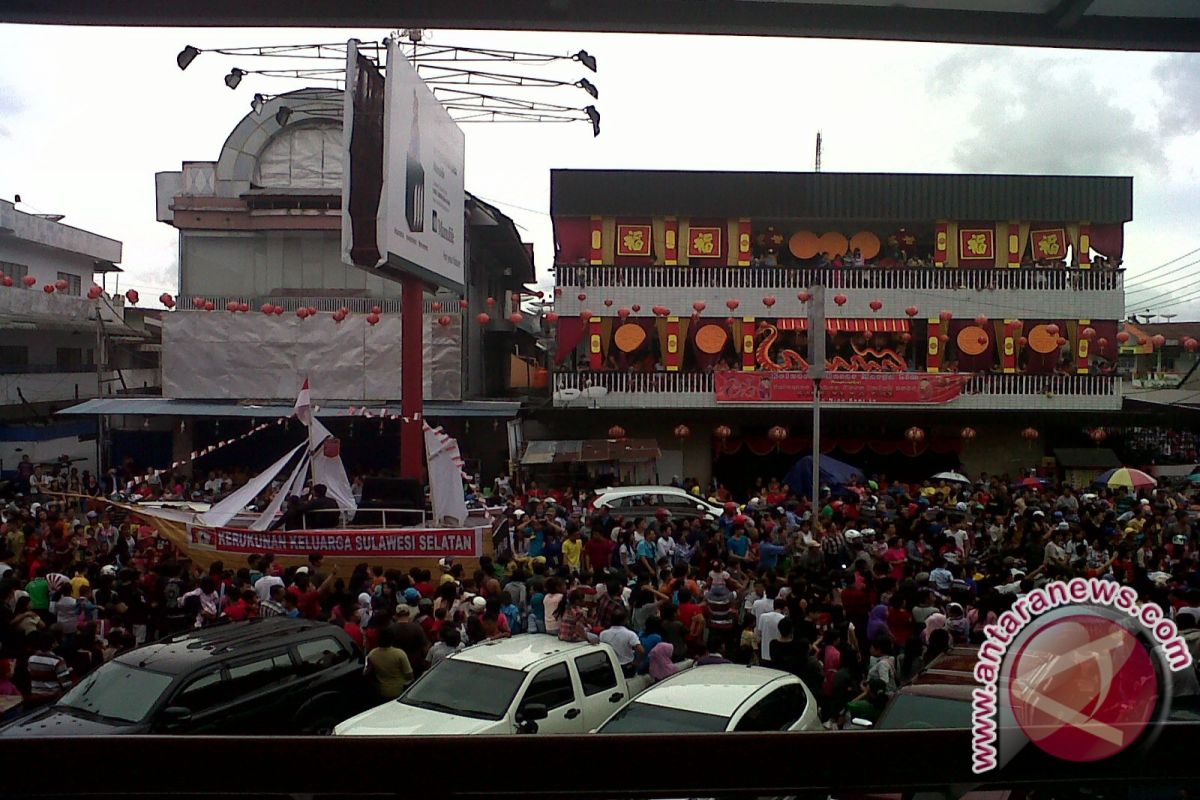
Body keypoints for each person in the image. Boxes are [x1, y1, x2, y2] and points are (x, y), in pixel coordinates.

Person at [365, 626, 414, 700]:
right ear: (392, 639)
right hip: (400, 690)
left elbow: (368, 672)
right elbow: (409, 674)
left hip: (382, 691)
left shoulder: (372, 654)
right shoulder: (399, 653)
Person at [598, 608, 644, 676]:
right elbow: (641, 650)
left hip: (610, 666)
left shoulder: (603, 634)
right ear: (624, 620)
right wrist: (636, 662)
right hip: (627, 667)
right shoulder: (630, 634)